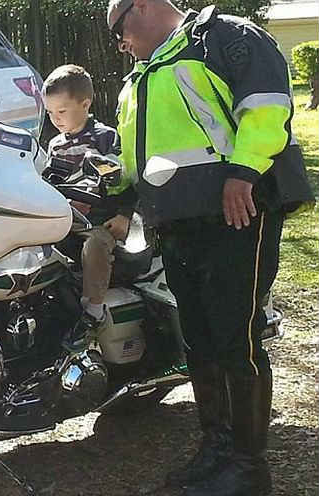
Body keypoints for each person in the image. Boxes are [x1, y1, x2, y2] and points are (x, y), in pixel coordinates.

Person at [106, 1, 315, 495]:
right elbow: (133, 154)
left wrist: (244, 172)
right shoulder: (140, 78)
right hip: (176, 225)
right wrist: (117, 198)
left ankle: (248, 468)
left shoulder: (222, 38)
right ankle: (216, 450)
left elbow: (266, 106)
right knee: (198, 340)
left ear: (143, 6)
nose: (120, 43)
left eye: (119, 29)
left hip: (236, 214)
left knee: (235, 338)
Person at [42, 64, 137, 352]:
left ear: (85, 104)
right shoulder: (55, 145)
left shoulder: (105, 138)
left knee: (95, 244)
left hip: (100, 220)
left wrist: (124, 214)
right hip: (64, 221)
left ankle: (93, 312)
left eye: (62, 111)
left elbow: (126, 177)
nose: (55, 118)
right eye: (50, 112)